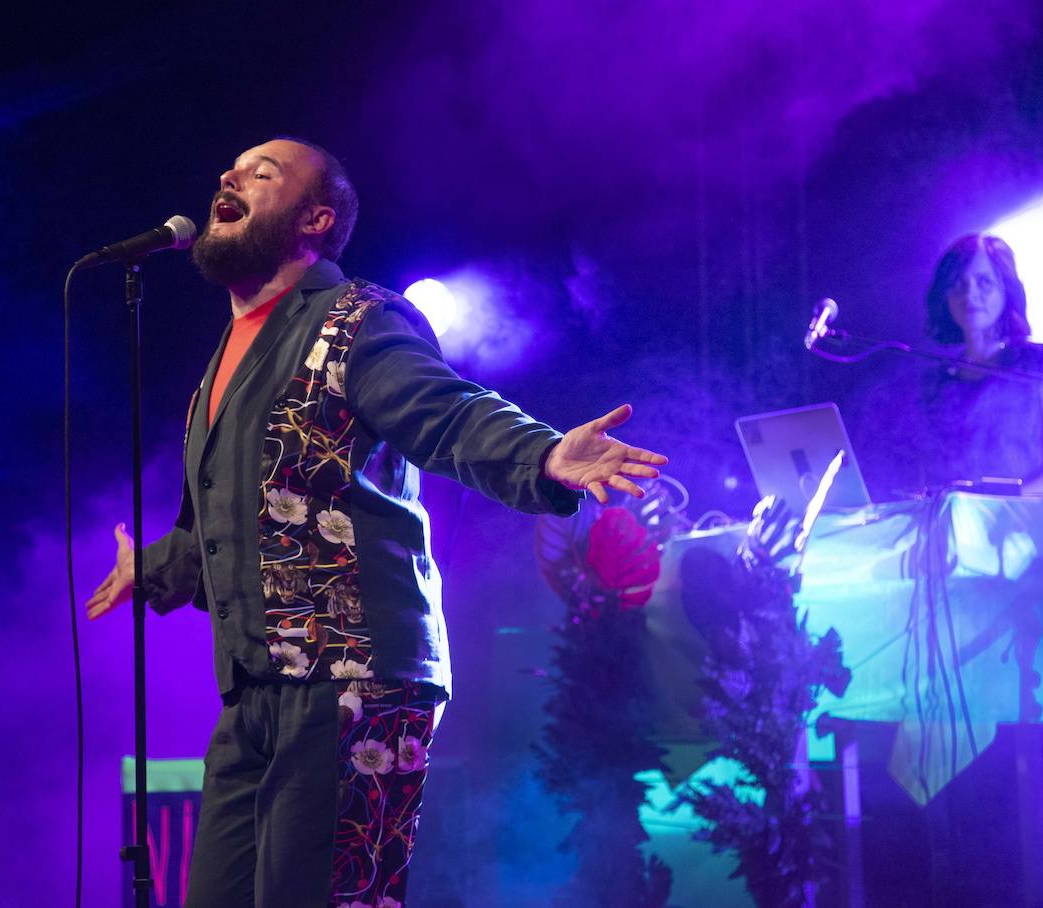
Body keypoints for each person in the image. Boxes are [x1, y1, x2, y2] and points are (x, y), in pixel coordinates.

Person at [85, 136, 667, 908]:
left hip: (353, 682)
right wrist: (148, 569)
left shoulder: (357, 319)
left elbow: (447, 414)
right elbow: (227, 534)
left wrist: (547, 455)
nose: (228, 175)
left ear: (315, 219)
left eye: (263, 174)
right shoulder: (221, 364)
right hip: (256, 693)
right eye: (230, 167)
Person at [912, 233, 1043, 498]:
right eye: (958, 284)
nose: (970, 295)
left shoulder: (1039, 363)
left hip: (1025, 526)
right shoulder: (938, 381)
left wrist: (1004, 506)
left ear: (1007, 290)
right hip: (954, 527)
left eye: (984, 283)